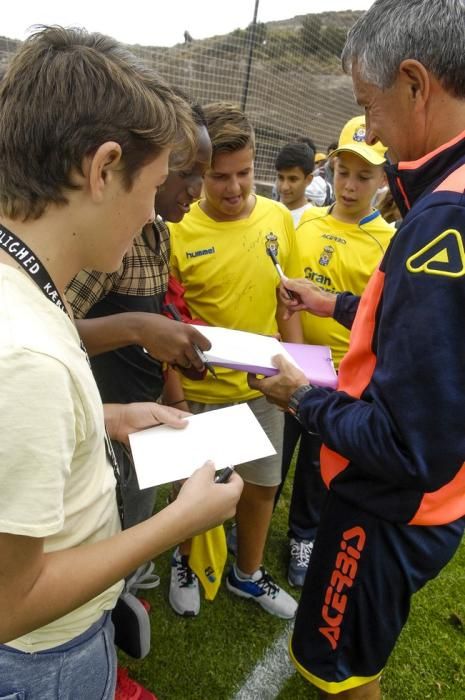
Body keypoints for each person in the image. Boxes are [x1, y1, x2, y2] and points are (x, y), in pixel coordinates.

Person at [0, 26, 242, 700]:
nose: (154, 214)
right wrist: (178, 521)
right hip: (42, 659)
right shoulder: (25, 354)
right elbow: (10, 604)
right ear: (103, 168)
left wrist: (102, 418)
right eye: (160, 184)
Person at [249, 0, 465, 696]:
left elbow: (409, 446)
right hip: (430, 502)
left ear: (413, 83)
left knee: (337, 674)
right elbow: (423, 328)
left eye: (366, 105)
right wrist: (332, 304)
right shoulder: (448, 194)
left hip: (386, 506)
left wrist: (302, 400)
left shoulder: (443, 218)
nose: (368, 129)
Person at [66, 100, 212, 699]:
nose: (196, 192)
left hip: (143, 413)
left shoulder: (157, 232)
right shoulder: (107, 238)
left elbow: (152, 319)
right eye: (187, 174)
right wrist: (136, 329)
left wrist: (170, 367)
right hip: (105, 425)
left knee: (130, 530)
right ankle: (104, 658)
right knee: (104, 544)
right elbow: (52, 323)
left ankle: (112, 628)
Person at [168, 102, 302, 620]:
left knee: (262, 487)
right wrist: (176, 392)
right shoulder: (179, 231)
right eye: (219, 177)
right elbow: (169, 320)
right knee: (194, 491)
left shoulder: (275, 219)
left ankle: (247, 575)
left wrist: (296, 372)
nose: (234, 188)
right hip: (201, 394)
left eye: (244, 173)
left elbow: (284, 302)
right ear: (199, 173)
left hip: (264, 391)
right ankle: (185, 560)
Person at [279, 115, 394, 589]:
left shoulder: (390, 244)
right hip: (288, 364)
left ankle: (303, 534)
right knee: (275, 450)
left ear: (383, 179)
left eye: (363, 176)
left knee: (316, 463)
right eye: (343, 173)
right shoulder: (303, 227)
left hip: (343, 383)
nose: (349, 186)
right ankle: (251, 513)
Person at [275, 142, 315, 227]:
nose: (284, 187)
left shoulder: (313, 222)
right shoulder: (266, 212)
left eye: (292, 179)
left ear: (308, 180)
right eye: (281, 178)